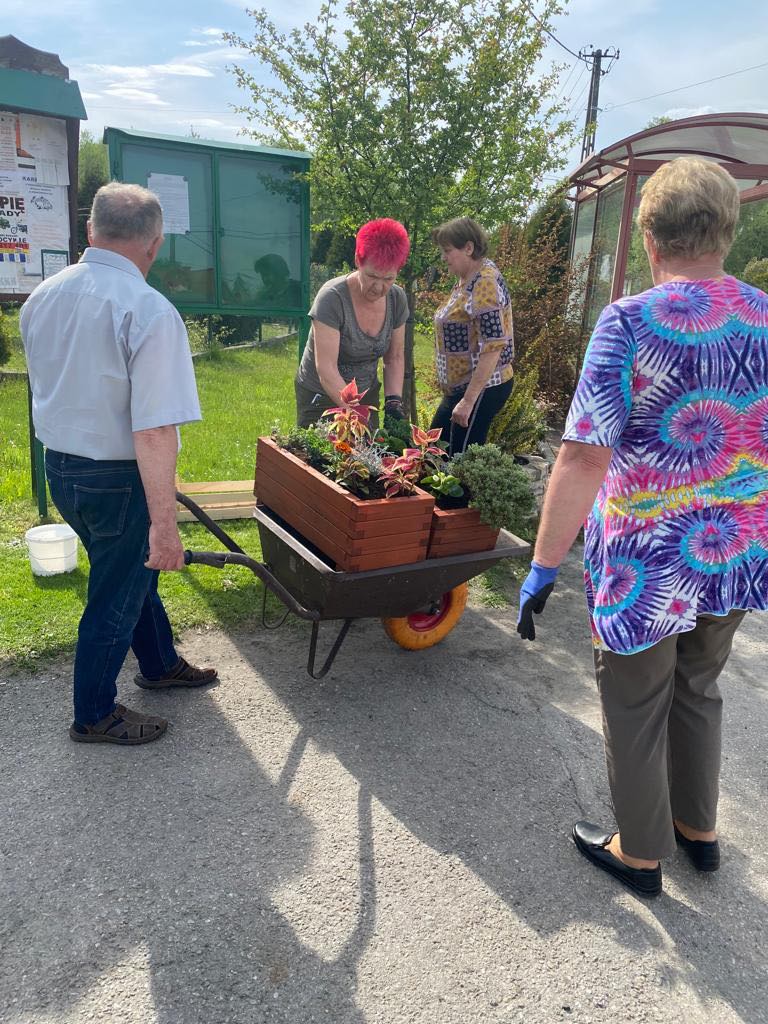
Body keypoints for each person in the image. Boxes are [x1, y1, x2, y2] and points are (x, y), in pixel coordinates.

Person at [517, 157, 768, 898]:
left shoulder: (629, 321)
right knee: (700, 684)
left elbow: (582, 456)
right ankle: (698, 828)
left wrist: (543, 564)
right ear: (727, 232)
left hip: (647, 562)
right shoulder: (765, 316)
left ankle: (640, 851)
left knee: (635, 699)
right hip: (732, 547)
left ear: (650, 238)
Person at [20, 182, 217, 747]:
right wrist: (165, 524)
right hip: (118, 479)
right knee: (116, 594)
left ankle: (159, 664)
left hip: (62, 468)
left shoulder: (43, 296)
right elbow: (154, 429)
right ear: (155, 244)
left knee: (129, 573)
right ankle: (94, 713)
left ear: (90, 230)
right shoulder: (148, 310)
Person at [295, 218, 410, 428]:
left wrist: (394, 403)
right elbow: (326, 368)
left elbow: (394, 357)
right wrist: (356, 416)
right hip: (321, 393)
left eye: (388, 279)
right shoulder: (332, 298)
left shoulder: (397, 299)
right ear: (358, 260)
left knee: (368, 447)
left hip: (366, 391)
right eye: (372, 276)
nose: (379, 287)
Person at [430, 217, 514, 455]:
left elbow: (494, 345)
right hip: (461, 390)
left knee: (456, 461)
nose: (443, 257)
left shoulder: (484, 282)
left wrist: (468, 401)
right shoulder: (467, 279)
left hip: (481, 389)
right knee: (434, 452)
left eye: (447, 251)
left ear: (468, 248)